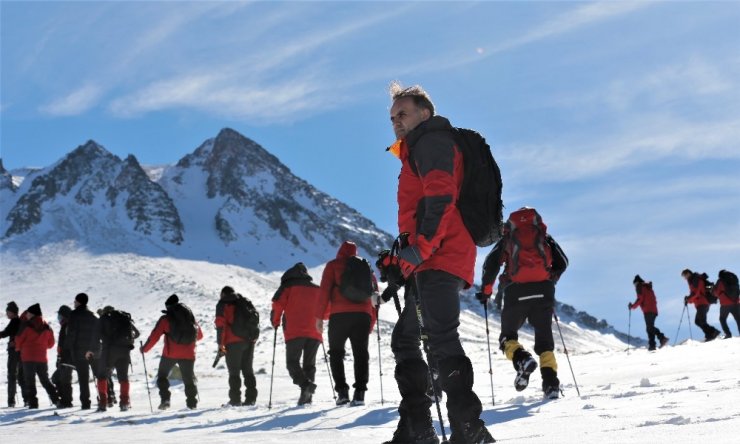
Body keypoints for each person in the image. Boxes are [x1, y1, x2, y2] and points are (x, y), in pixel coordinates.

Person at [381, 82, 495, 443]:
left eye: (403, 113)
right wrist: (403, 259)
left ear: (424, 113)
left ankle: (467, 428)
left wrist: (422, 248)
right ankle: (418, 426)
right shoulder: (417, 148)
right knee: (407, 338)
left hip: (440, 255)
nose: (397, 121)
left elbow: (441, 195)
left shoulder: (431, 142)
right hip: (433, 257)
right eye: (393, 117)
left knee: (440, 338)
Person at [479, 207, 568, 400]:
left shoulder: (508, 239)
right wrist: (550, 279)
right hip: (543, 293)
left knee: (507, 338)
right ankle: (551, 385)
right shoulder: (545, 238)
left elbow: (491, 264)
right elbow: (563, 262)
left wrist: (486, 291)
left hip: (515, 292)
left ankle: (522, 359)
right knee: (545, 343)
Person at [316, 241, 377, 407]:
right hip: (363, 316)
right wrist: (371, 322)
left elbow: (324, 292)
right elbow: (375, 297)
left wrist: (319, 317)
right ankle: (360, 394)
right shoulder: (366, 268)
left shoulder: (333, 265)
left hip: (339, 316)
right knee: (361, 353)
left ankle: (342, 393)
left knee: (336, 353)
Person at [272, 263, 323, 405]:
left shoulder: (287, 287)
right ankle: (307, 397)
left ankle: (306, 386)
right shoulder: (317, 289)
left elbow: (277, 304)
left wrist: (275, 322)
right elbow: (326, 308)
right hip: (315, 332)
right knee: (309, 365)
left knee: (292, 363)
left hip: (295, 331)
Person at [141, 294, 203, 410]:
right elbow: (199, 336)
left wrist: (144, 349)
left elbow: (154, 336)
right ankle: (192, 404)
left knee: (162, 376)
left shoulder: (165, 319)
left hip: (170, 354)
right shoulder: (189, 316)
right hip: (188, 354)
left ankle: (165, 400)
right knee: (188, 379)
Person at [215, 286, 258, 407]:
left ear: (223, 294)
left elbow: (220, 325)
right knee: (248, 371)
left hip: (233, 342)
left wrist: (220, 344)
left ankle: (235, 400)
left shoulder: (223, 304)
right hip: (249, 341)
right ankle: (251, 399)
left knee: (234, 372)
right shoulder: (244, 301)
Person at [14, 304, 59, 409]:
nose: (27, 315)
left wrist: (19, 348)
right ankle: (56, 399)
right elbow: (51, 344)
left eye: (29, 313)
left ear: (33, 314)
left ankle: (33, 404)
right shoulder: (47, 327)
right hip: (42, 359)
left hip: (28, 358)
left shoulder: (25, 326)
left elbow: (18, 341)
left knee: (29, 381)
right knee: (45, 380)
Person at [97, 305, 139, 411]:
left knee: (102, 376)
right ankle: (124, 403)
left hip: (109, 351)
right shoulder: (123, 317)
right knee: (123, 378)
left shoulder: (105, 319)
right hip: (125, 351)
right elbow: (137, 333)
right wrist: (129, 339)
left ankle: (103, 403)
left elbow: (97, 335)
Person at [66, 293, 101, 410]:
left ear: (79, 302)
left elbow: (71, 334)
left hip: (79, 351)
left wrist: (69, 349)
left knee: (83, 378)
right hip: (93, 351)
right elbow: (97, 334)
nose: (74, 303)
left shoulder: (73, 315)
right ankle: (105, 398)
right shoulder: (93, 315)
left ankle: (85, 403)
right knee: (99, 375)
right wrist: (93, 349)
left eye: (75, 301)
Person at [628, 275, 669, 351]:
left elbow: (640, 299)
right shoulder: (648, 287)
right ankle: (657, 342)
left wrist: (632, 306)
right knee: (650, 327)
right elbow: (653, 299)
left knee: (649, 328)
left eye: (634, 284)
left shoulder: (639, 286)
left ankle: (657, 342)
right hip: (653, 310)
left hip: (648, 310)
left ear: (637, 282)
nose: (634, 286)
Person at [682, 269, 721, 341]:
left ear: (688, 273)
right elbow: (694, 295)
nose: (684, 278)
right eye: (684, 276)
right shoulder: (692, 281)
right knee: (698, 321)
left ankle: (712, 333)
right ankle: (711, 333)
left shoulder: (696, 279)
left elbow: (696, 293)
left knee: (701, 321)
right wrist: (688, 300)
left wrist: (688, 299)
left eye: (685, 275)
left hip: (703, 302)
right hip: (700, 303)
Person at [0, 301, 26, 407]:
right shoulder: (21, 321)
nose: (6, 314)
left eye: (7, 312)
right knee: (22, 376)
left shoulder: (14, 322)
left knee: (12, 375)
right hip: (22, 352)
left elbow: (5, 333)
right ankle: (27, 399)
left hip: (14, 352)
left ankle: (11, 401)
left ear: (12, 312)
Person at [53, 304, 75, 408]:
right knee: (57, 378)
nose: (59, 318)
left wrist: (65, 358)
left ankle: (67, 402)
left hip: (68, 359)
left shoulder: (69, 326)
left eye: (60, 316)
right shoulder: (65, 326)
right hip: (63, 358)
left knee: (64, 379)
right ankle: (64, 399)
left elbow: (69, 344)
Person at [713, 269, 740, 339]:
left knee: (722, 319)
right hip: (736, 302)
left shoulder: (721, 281)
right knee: (738, 319)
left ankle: (728, 334)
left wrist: (712, 290)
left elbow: (716, 292)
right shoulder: (734, 278)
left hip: (725, 304)